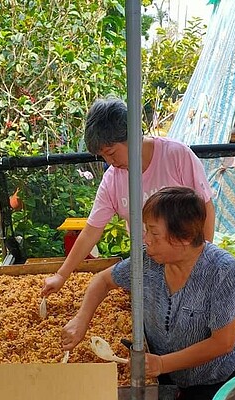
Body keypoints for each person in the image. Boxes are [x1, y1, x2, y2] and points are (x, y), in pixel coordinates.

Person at [62, 187, 235, 400]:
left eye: (154, 233)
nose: (146, 240)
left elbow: (223, 343)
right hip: (169, 374)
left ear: (183, 237)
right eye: (145, 230)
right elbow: (103, 280)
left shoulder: (222, 270)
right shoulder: (148, 261)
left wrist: (162, 363)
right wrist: (81, 320)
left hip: (215, 379)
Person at [42, 97, 215, 297]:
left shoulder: (177, 155)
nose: (110, 162)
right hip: (148, 262)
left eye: (111, 152)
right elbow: (92, 230)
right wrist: (62, 275)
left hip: (187, 259)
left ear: (132, 137)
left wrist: (202, 260)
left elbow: (206, 207)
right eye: (103, 156)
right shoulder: (112, 180)